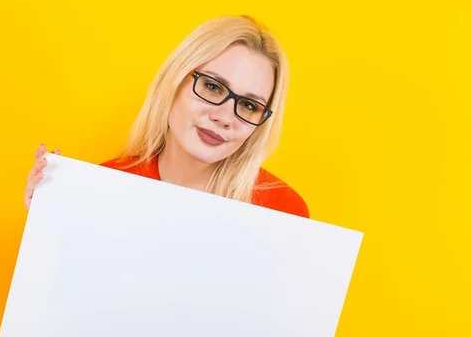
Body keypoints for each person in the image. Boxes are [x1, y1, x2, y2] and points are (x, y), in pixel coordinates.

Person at [24, 15, 309, 218]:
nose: (224, 117)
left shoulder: (282, 211)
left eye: (249, 106)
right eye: (212, 87)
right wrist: (50, 228)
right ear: (174, 82)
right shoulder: (100, 189)